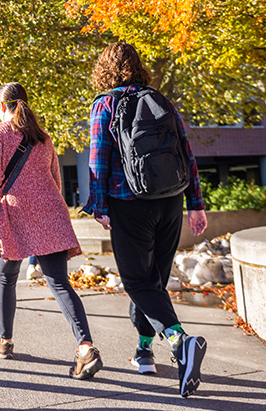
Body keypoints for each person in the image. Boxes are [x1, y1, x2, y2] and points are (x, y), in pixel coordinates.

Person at [82, 42, 210, 397]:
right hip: (170, 200)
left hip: (129, 202)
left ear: (104, 70)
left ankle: (179, 340)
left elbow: (99, 160)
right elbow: (187, 153)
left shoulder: (105, 104)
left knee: (138, 283)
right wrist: (196, 204)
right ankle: (143, 351)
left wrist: (98, 206)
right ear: (138, 67)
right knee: (153, 281)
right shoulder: (161, 101)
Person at [0, 82, 102, 380]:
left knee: (6, 277)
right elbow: (56, 182)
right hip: (51, 213)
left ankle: (4, 341)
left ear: (1, 106)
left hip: (16, 213)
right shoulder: (43, 138)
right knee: (59, 283)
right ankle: (86, 348)